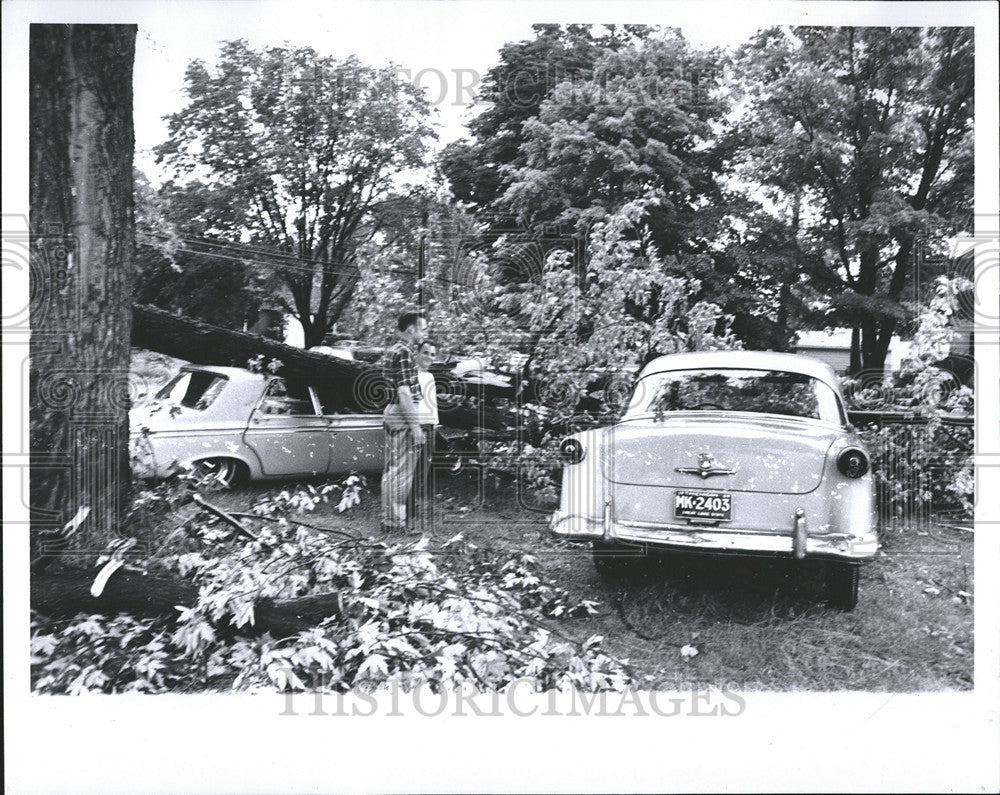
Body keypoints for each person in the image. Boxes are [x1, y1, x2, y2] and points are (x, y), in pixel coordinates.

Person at [380, 311, 427, 531]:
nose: (424, 333)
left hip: (391, 412)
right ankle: (395, 523)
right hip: (402, 414)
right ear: (411, 330)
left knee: (391, 469)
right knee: (402, 472)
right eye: (423, 329)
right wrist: (416, 427)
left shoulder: (392, 350)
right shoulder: (405, 352)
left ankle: (390, 520)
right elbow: (405, 393)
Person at [406, 339, 439, 530]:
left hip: (430, 427)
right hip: (415, 427)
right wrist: (414, 427)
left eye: (432, 354)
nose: (429, 357)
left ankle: (412, 513)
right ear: (417, 354)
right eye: (425, 353)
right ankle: (404, 515)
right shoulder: (409, 376)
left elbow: (431, 405)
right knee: (408, 472)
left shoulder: (430, 377)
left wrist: (435, 425)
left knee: (421, 474)